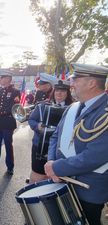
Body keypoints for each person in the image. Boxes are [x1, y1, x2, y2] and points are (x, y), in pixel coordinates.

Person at [44, 63, 108, 225]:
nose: (71, 83)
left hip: (88, 190)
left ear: (92, 83)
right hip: (62, 181)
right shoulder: (73, 107)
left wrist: (57, 167)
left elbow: (95, 156)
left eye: (76, 79)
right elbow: (55, 138)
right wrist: (52, 164)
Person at [28, 79, 73, 183]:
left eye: (63, 91)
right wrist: (37, 126)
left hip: (60, 149)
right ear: (54, 92)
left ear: (67, 93)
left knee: (54, 177)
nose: (59, 93)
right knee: (37, 175)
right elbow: (31, 120)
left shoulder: (73, 108)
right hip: (40, 146)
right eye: (57, 90)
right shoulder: (42, 106)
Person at [0, 70, 20, 175]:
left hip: (8, 123)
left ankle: (10, 166)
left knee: (8, 145)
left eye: (2, 78)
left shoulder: (15, 92)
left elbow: (13, 108)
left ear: (7, 79)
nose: (0, 80)